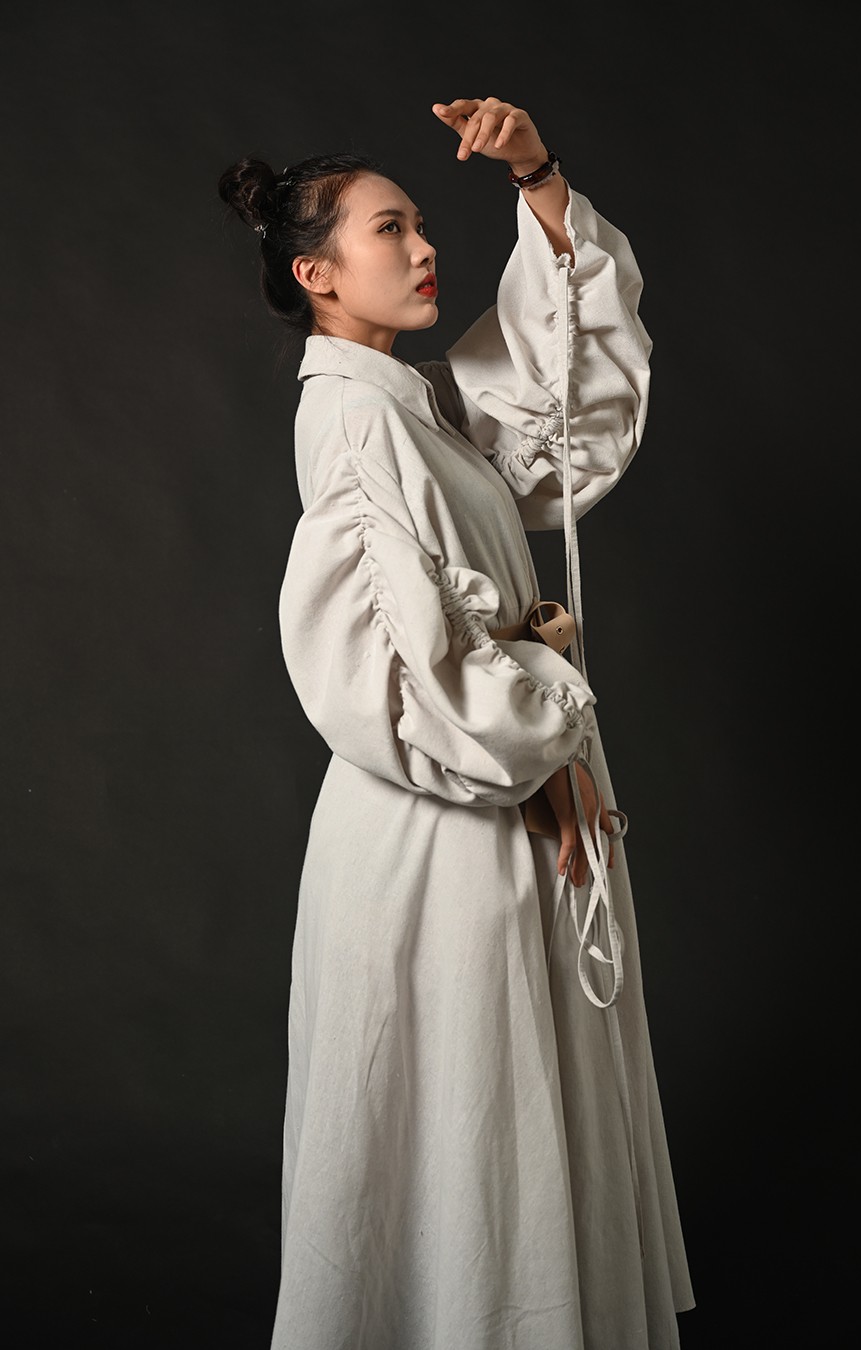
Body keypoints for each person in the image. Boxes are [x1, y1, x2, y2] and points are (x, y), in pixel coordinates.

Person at [218, 94, 696, 1350]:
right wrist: (545, 732)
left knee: (495, 1137)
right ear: (318, 275)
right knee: (465, 1141)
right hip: (445, 833)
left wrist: (537, 176)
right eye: (392, 229)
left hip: (490, 814)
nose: (426, 248)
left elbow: (549, 403)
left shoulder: (409, 404)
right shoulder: (353, 426)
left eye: (423, 222)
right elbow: (396, 679)